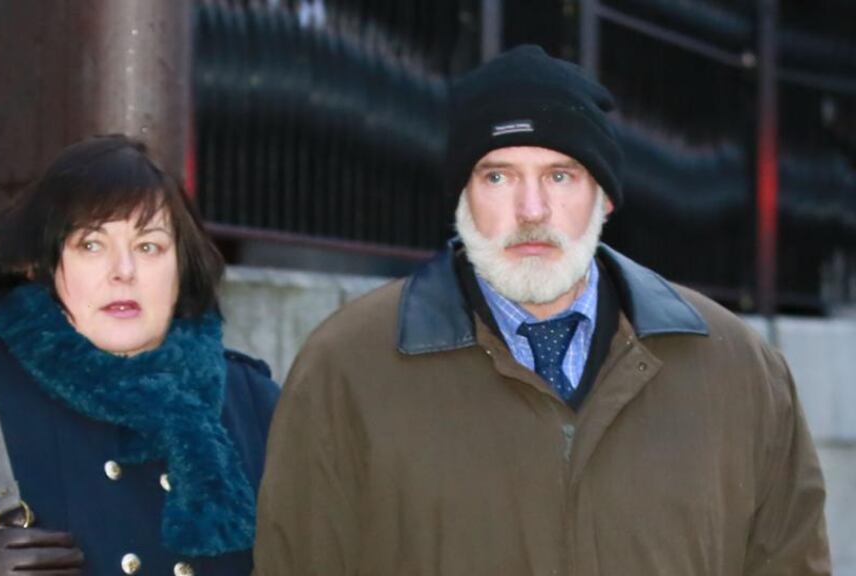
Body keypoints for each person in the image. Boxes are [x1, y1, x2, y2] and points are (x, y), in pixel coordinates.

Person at [253, 45, 831, 575]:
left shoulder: (738, 369)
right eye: (498, 176)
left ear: (604, 197)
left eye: (560, 175)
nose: (532, 209)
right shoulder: (348, 366)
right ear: (462, 197)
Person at [0, 135, 280, 576]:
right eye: (91, 244)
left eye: (148, 247)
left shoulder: (251, 402)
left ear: (181, 267)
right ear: (38, 265)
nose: (124, 271)